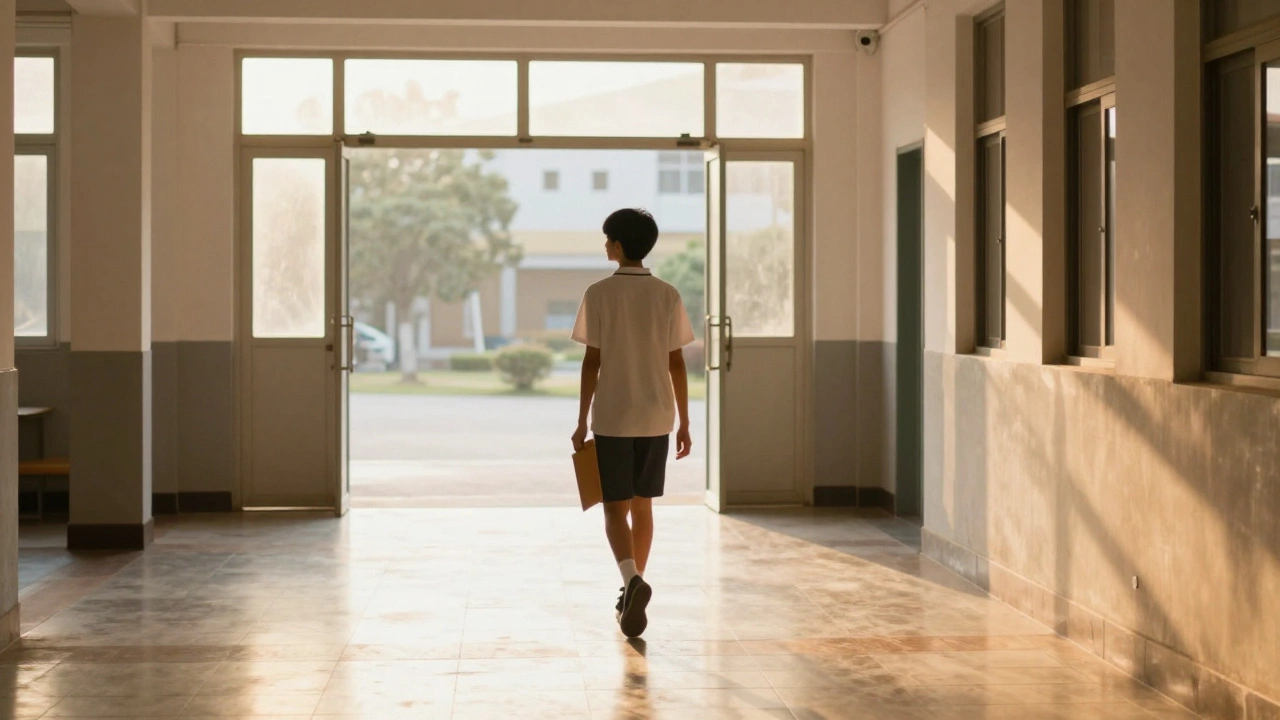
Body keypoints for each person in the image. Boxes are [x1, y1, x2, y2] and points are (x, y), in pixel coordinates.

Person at [571, 208, 695, 639]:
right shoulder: (667, 294)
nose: (605, 245)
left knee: (613, 510)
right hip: (657, 416)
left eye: (608, 239)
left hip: (614, 416)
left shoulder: (599, 293)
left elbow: (592, 362)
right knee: (643, 507)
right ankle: (632, 588)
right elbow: (676, 362)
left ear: (619, 246)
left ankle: (631, 581)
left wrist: (581, 419)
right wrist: (684, 421)